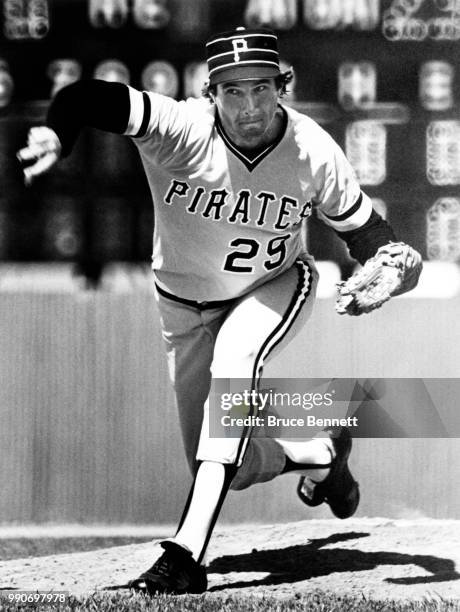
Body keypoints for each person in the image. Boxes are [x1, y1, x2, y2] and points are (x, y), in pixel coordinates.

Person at [17, 27, 421, 595]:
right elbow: (85, 98)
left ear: (284, 87)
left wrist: (398, 269)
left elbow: (377, 239)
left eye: (261, 88)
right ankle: (323, 451)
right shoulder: (179, 126)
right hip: (183, 305)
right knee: (226, 462)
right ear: (211, 93)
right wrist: (59, 136)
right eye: (233, 91)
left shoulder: (313, 149)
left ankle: (184, 558)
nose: (249, 106)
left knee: (233, 374)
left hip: (276, 285)